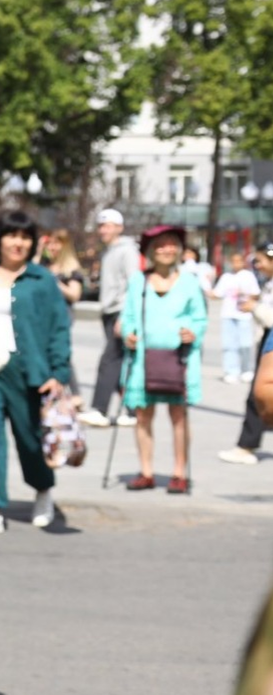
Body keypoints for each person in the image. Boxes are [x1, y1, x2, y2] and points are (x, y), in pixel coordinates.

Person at [0, 211, 72, 532]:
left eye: (25, 237)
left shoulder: (41, 280)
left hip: (28, 369)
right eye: (12, 235)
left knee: (30, 439)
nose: (18, 243)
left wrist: (59, 371)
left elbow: (58, 326)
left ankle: (43, 490)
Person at [119, 224, 207, 494]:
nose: (167, 249)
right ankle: (146, 470)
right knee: (143, 415)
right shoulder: (138, 281)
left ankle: (179, 472)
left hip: (178, 359)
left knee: (178, 415)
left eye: (172, 244)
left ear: (179, 250)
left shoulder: (190, 282)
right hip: (143, 360)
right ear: (150, 251)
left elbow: (200, 317)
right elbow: (129, 317)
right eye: (161, 244)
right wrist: (128, 334)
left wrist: (193, 332)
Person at [80, 208, 139, 428]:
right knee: (121, 363)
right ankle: (133, 410)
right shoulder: (108, 251)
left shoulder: (128, 251)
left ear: (119, 227)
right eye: (100, 226)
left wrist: (126, 316)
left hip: (121, 311)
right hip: (109, 311)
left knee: (110, 360)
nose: (102, 230)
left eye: (107, 225)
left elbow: (134, 283)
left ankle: (100, 409)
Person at [220, 242, 273, 466]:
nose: (257, 265)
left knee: (258, 394)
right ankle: (246, 445)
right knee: (256, 396)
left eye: (259, 261)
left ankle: (246, 445)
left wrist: (254, 308)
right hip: (266, 337)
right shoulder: (268, 284)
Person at [212, 251, 259, 384]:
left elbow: (256, 294)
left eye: (239, 261)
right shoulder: (226, 277)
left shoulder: (248, 276)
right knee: (229, 345)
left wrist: (245, 295)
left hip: (243, 314)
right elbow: (216, 294)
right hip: (228, 314)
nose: (236, 264)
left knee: (245, 344)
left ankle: (246, 370)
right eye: (234, 261)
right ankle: (231, 371)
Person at [39, 228, 85, 306]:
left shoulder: (72, 268)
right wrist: (39, 250)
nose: (51, 248)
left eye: (56, 243)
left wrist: (54, 282)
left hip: (62, 314)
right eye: (48, 243)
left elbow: (75, 295)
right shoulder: (44, 265)